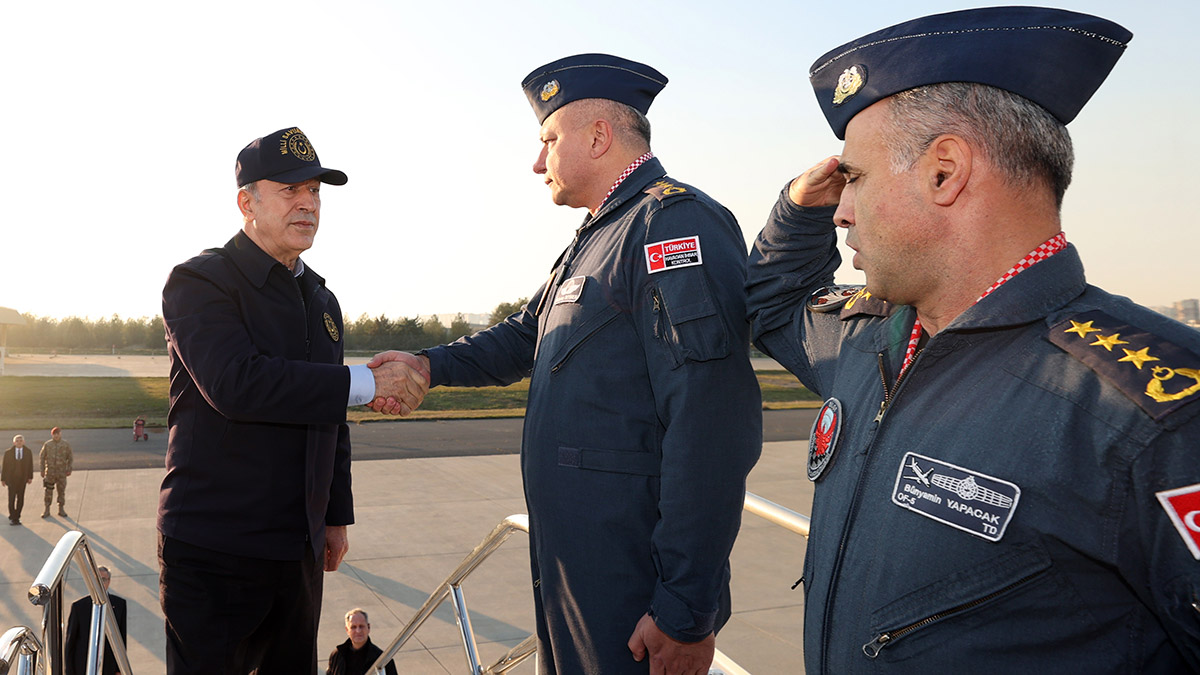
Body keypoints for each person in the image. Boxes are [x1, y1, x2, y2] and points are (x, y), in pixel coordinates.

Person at [745, 7, 1200, 672]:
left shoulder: (1153, 416)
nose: (840, 209)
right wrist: (795, 207)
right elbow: (773, 300)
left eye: (857, 178)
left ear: (945, 171)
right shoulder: (869, 336)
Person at [371, 54, 762, 674]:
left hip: (632, 578)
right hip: (576, 569)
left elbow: (711, 421)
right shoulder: (597, 236)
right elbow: (528, 335)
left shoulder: (669, 224)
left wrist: (685, 606)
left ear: (599, 137)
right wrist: (427, 364)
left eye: (547, 140)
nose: (536, 161)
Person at [157, 126, 429, 675]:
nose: (308, 203)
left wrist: (334, 516)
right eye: (289, 190)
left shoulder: (321, 297)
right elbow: (237, 384)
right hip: (216, 548)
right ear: (246, 202)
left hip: (296, 549)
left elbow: (331, 414)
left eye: (315, 191)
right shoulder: (201, 282)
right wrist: (369, 383)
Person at [64, 566, 128, 675]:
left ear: (109, 581)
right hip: (83, 665)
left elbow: (121, 639)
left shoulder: (119, 604)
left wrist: (119, 669)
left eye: (103, 579)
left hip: (109, 665)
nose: (100, 583)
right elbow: (71, 642)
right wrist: (69, 671)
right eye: (96, 579)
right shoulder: (79, 606)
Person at [325, 608, 396, 675]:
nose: (358, 631)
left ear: (368, 627)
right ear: (347, 630)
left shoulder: (383, 660)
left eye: (361, 626)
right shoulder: (337, 655)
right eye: (353, 627)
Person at [39, 426, 72, 518]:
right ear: (52, 435)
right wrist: (42, 470)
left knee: (61, 491)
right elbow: (42, 458)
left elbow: (70, 457)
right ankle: (47, 509)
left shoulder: (65, 445)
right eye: (54, 434)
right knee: (48, 491)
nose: (56, 436)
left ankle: (61, 509)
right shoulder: (47, 445)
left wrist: (69, 469)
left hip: (61, 473)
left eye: (58, 434)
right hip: (50, 472)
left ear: (60, 434)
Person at [2, 434, 34, 525]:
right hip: (11, 480)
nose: (19, 442)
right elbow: (4, 467)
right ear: (14, 442)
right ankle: (13, 516)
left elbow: (30, 465)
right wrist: (3, 479)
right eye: (17, 441)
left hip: (22, 480)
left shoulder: (28, 452)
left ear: (24, 442)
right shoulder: (8, 453)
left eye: (21, 441)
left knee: (20, 499)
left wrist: (30, 477)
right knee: (11, 499)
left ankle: (17, 516)